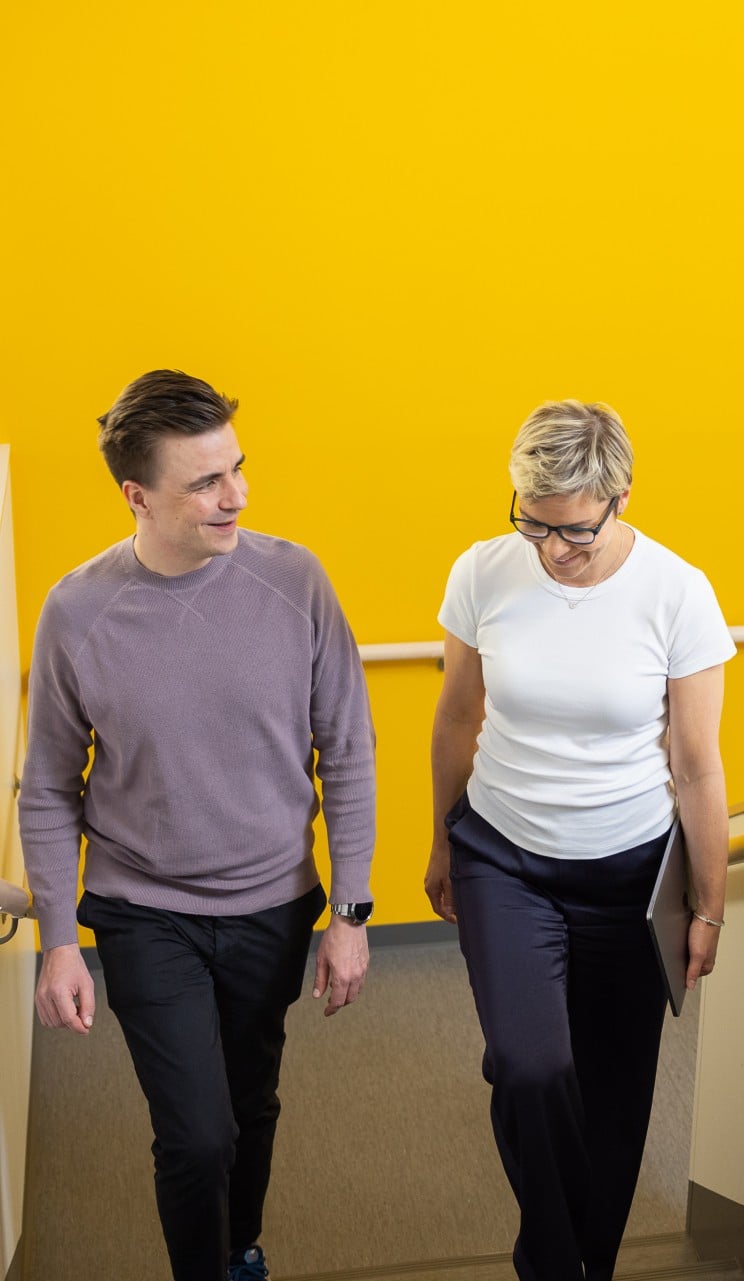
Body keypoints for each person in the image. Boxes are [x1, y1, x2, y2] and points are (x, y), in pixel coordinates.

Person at [19, 369, 376, 1281]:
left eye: (238, 468)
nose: (238, 495)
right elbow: (50, 785)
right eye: (207, 482)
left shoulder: (295, 580)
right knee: (196, 1133)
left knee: (251, 1104)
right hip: (144, 909)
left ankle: (237, 1246)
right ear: (137, 495)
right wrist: (58, 939)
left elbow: (349, 749)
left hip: (273, 905)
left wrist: (352, 913)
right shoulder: (78, 610)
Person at [424, 400, 735, 1281]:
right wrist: (444, 841)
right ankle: (554, 1265)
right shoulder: (484, 572)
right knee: (528, 1068)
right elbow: (455, 715)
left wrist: (708, 905)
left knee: (615, 1094)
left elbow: (698, 766)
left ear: (621, 497)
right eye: (534, 522)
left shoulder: (678, 591)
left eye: (576, 530)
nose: (554, 548)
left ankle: (581, 1265)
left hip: (633, 875)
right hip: (504, 858)